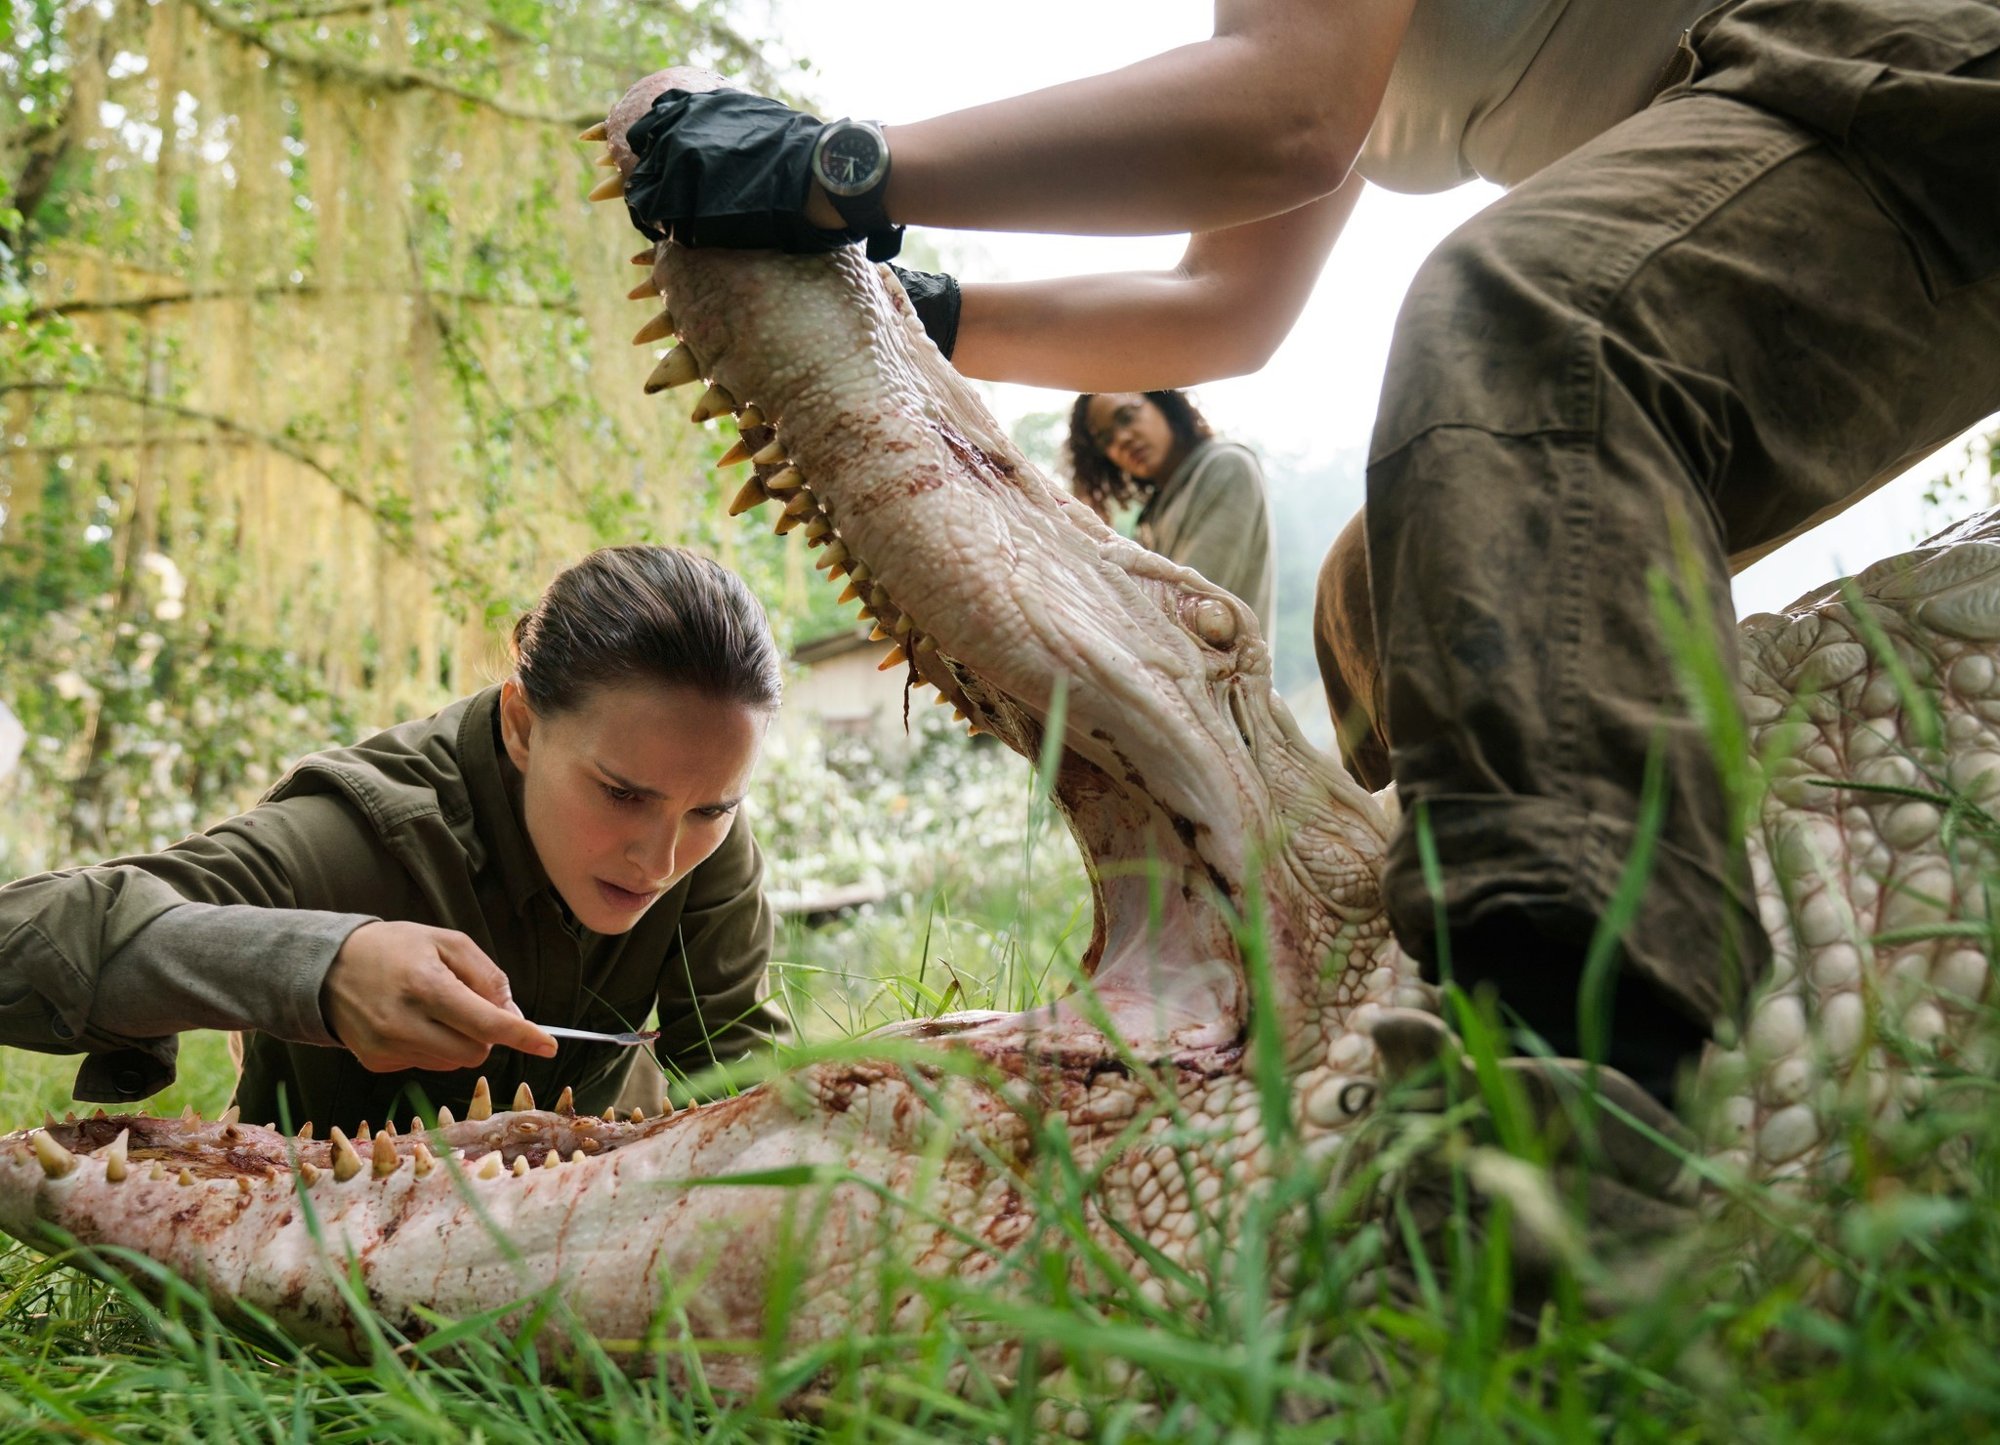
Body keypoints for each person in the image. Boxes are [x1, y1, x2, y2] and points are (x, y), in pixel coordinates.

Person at [610, 0, 2000, 1109]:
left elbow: (1280, 116)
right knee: (1390, 588)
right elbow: (1227, 304)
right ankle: (1408, 958)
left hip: (1892, 62)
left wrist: (834, 169)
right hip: (1764, 131)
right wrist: (921, 314)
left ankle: (1563, 1088)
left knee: (1521, 321)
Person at [0, 545, 788, 1129]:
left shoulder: (703, 830)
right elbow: (17, 937)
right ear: (521, 722)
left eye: (711, 810)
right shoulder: (362, 832)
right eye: (621, 794)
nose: (661, 858)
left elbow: (743, 1086)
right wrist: (317, 968)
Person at [1067, 389, 1276, 636]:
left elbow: (1188, 608)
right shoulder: (1154, 512)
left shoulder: (1228, 466)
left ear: (1162, 403)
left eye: (1126, 417)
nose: (1121, 438)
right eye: (1105, 439)